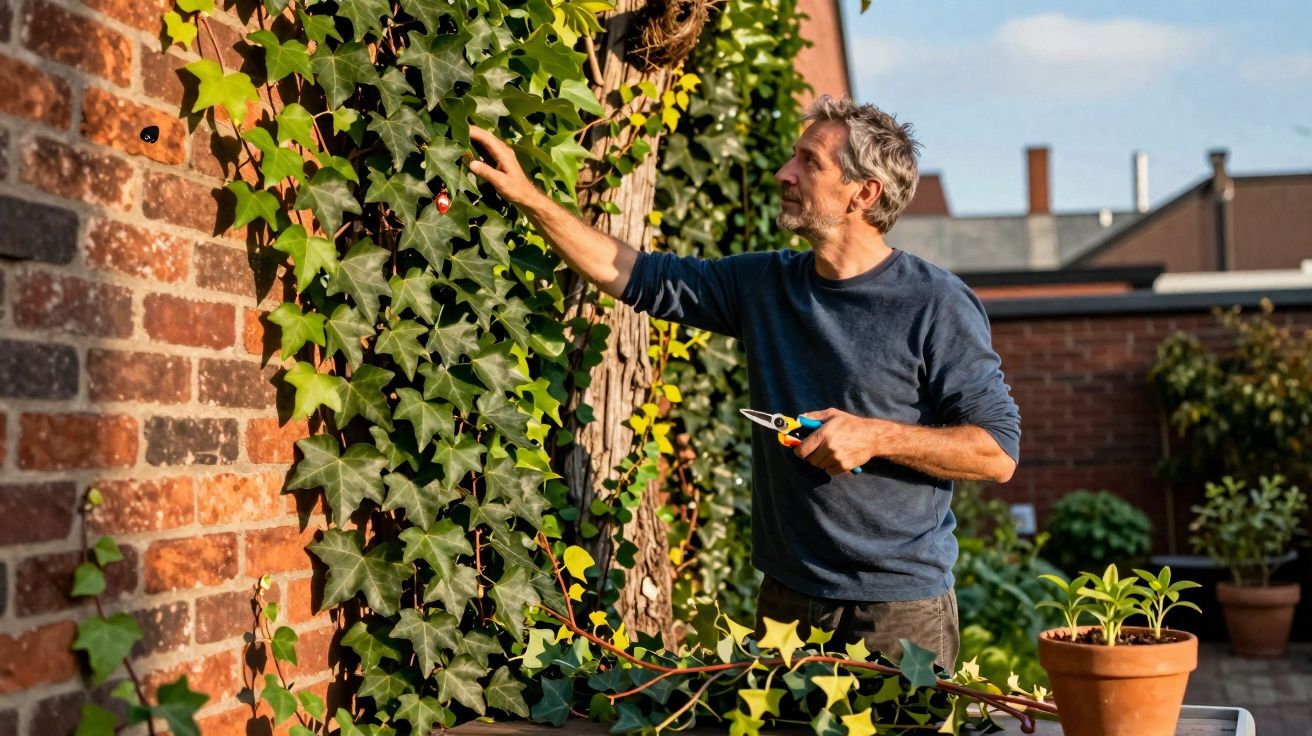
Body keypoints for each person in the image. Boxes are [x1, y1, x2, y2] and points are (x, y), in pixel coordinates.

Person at [466, 94, 1020, 671]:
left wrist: (878, 437)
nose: (785, 173)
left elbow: (998, 453)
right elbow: (634, 275)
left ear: (864, 192)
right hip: (786, 600)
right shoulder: (764, 283)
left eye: (810, 162)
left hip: (897, 611)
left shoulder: (935, 303)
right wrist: (528, 198)